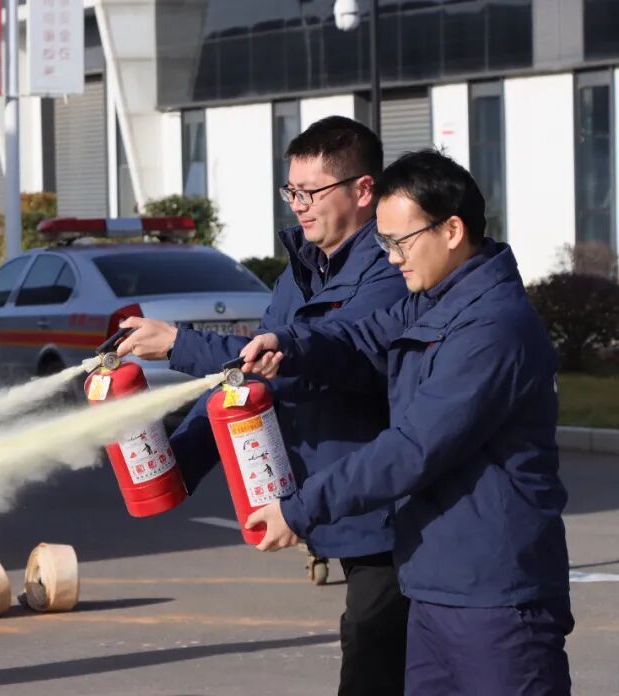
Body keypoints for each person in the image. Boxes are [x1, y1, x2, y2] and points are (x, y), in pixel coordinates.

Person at [242, 149, 573, 695]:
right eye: (385, 243)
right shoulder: (434, 302)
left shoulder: (492, 328)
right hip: (432, 585)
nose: (393, 258)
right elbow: (358, 337)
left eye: (401, 242)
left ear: (452, 230)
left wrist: (299, 510)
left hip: (495, 597)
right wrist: (286, 344)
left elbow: (413, 448)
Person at [116, 116, 410, 696]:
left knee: (374, 655)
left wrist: (178, 345)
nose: (298, 206)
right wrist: (177, 464)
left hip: (389, 506)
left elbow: (319, 355)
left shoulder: (389, 269)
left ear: (363, 190)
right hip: (339, 504)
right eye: (291, 191)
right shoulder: (302, 272)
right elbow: (244, 383)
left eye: (311, 192)